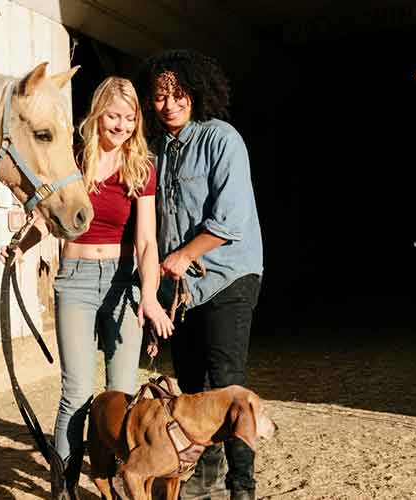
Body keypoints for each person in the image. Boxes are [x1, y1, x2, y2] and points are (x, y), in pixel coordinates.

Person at [1, 76, 175, 494]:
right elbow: (49, 217)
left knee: (121, 396)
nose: (121, 126)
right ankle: (63, 488)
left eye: (130, 118)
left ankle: (115, 484)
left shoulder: (142, 166)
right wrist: (21, 245)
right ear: (97, 114)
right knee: (76, 392)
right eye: (113, 116)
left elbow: (147, 240)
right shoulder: (75, 157)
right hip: (75, 282)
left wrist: (149, 297)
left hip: (122, 283)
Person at [134, 49, 264, 500]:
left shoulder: (221, 139)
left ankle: (241, 485)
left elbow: (230, 220)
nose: (169, 104)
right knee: (190, 388)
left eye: (179, 93)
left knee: (226, 380)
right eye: (159, 97)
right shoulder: (154, 153)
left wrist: (186, 254)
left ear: (197, 92)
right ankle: (201, 480)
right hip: (182, 287)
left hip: (229, 273)